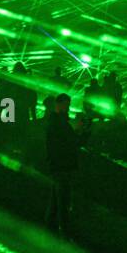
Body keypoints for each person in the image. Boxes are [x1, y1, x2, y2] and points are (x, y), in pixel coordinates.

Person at [44, 94, 81, 236]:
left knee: (55, 200)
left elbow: (70, 142)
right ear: (58, 105)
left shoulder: (58, 122)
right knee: (63, 202)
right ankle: (64, 231)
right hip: (62, 166)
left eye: (68, 105)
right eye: (66, 105)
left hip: (59, 166)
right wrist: (78, 132)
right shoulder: (58, 123)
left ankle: (50, 227)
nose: (68, 108)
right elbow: (68, 143)